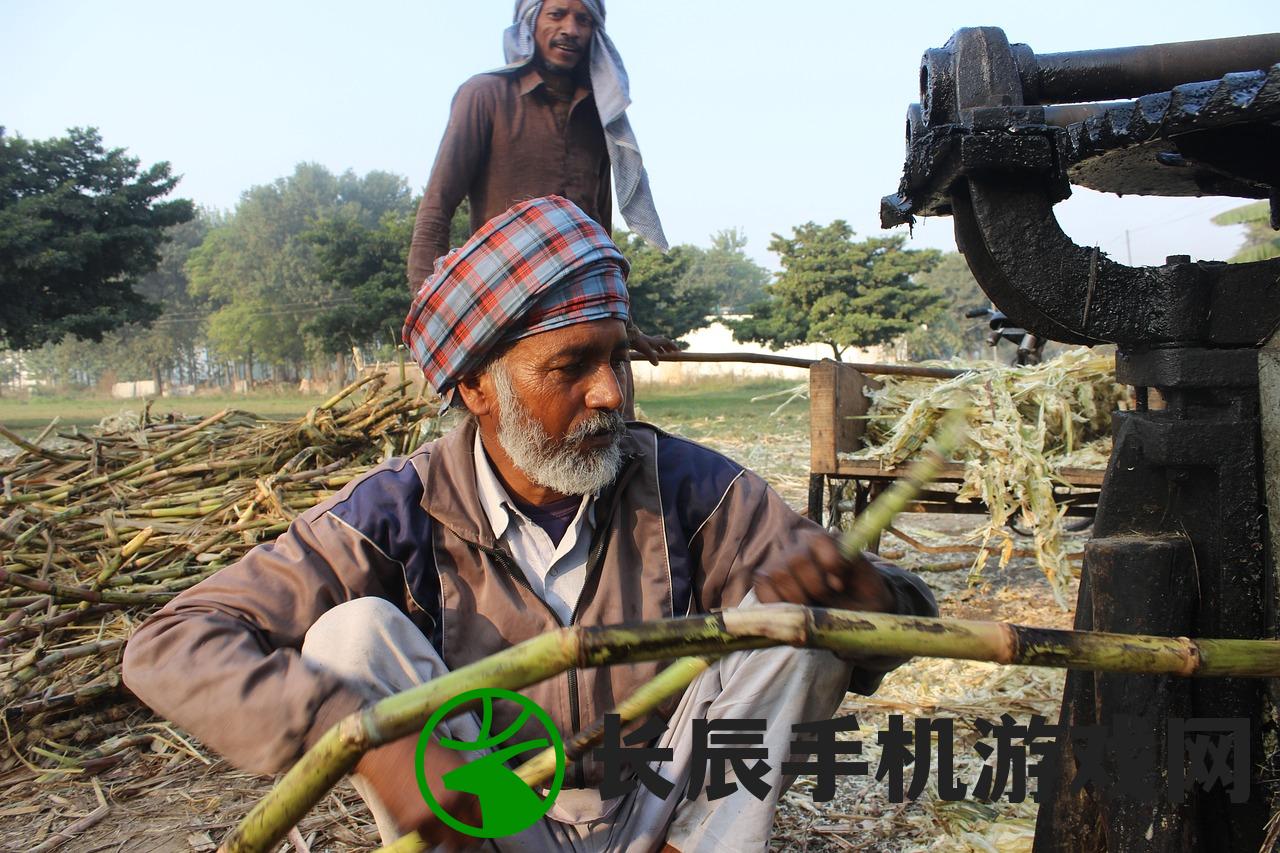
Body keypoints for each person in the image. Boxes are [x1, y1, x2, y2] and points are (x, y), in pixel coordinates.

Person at [124, 197, 938, 852]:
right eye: (571, 366)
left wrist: (865, 599)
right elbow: (168, 643)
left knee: (793, 624)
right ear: (477, 386)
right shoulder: (395, 512)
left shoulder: (692, 490)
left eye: (616, 357)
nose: (613, 392)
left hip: (669, 817)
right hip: (493, 819)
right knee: (353, 635)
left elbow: (894, 616)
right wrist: (360, 737)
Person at [407, 0, 674, 364]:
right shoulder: (484, 95)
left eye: (583, 19)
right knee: (498, 418)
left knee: (615, 416)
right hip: (506, 317)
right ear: (529, 23)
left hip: (587, 316)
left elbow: (601, 234)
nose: (570, 29)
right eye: (557, 14)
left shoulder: (601, 116)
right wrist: (432, 318)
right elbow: (436, 211)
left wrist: (626, 325)